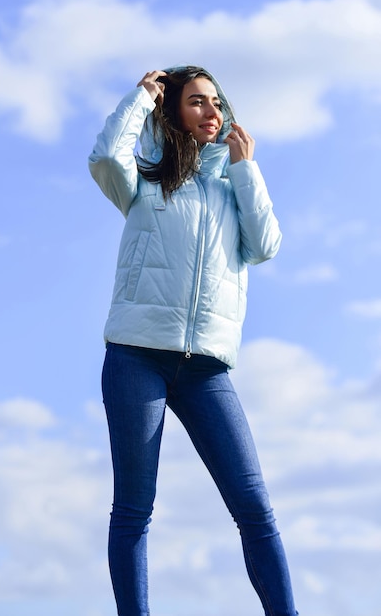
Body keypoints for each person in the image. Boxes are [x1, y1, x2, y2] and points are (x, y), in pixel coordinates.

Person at [89, 65, 298, 616]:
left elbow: (266, 244)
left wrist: (245, 168)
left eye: (216, 102)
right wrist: (141, 97)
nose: (211, 111)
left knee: (254, 507)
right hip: (137, 357)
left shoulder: (233, 188)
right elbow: (106, 157)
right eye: (196, 102)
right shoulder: (144, 181)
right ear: (173, 112)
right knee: (134, 508)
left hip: (208, 369)